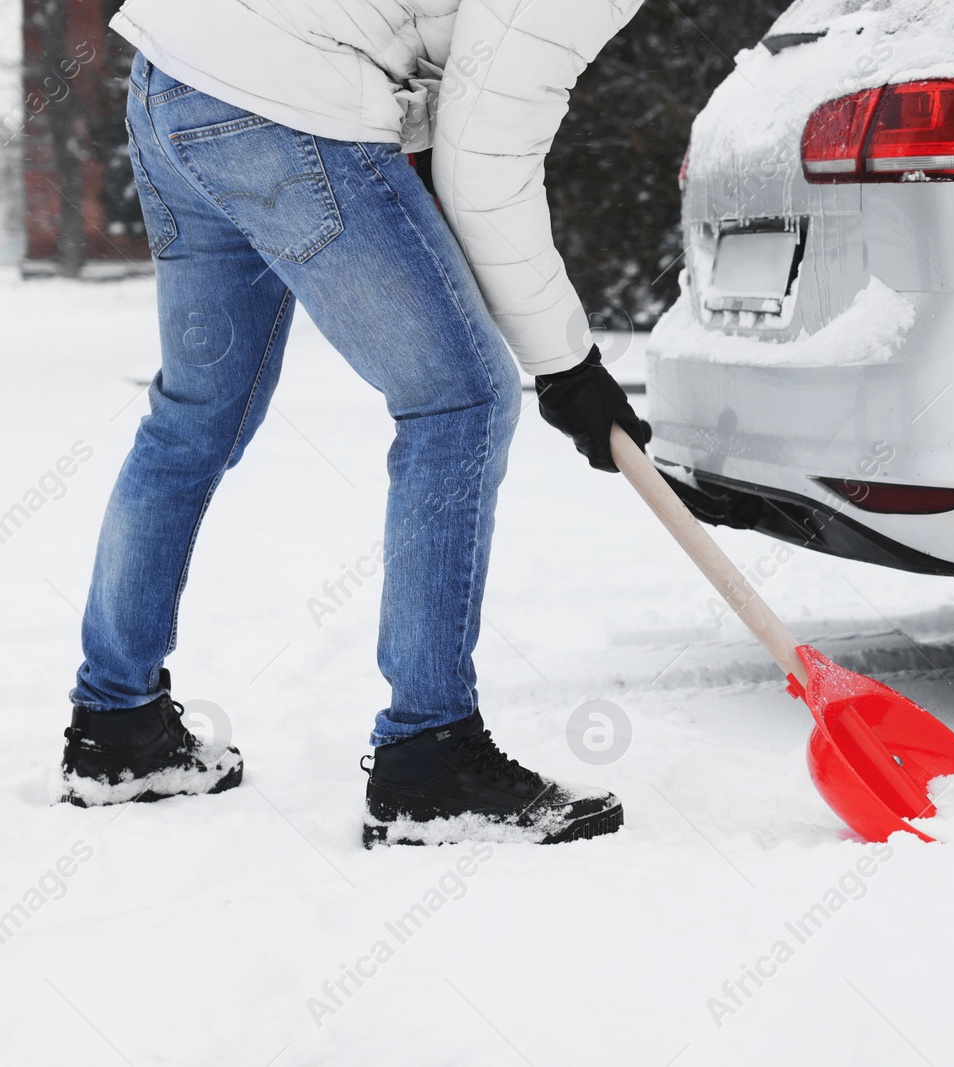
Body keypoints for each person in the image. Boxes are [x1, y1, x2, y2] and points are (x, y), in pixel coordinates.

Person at [58, 0, 651, 847]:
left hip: (173, 74)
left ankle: (116, 730)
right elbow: (487, 157)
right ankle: (430, 754)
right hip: (283, 101)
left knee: (194, 414)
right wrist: (568, 364)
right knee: (462, 398)